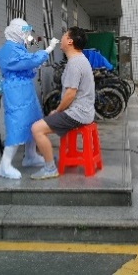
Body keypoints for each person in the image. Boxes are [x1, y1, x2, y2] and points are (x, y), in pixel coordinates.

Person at [0, 18, 59, 179]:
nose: (27, 35)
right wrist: (48, 49)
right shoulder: (9, 49)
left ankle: (30, 156)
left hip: (25, 91)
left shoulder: (18, 47)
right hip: (16, 93)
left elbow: (25, 66)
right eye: (24, 32)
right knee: (17, 125)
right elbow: (28, 61)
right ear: (16, 32)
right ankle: (4, 166)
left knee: (33, 123)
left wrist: (33, 67)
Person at [30, 26, 95, 180]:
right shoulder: (79, 59)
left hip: (77, 113)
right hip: (84, 111)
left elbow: (70, 94)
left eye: (65, 36)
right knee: (43, 123)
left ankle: (50, 168)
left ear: (70, 41)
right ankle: (51, 159)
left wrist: (58, 110)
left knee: (36, 129)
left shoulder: (75, 63)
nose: (62, 38)